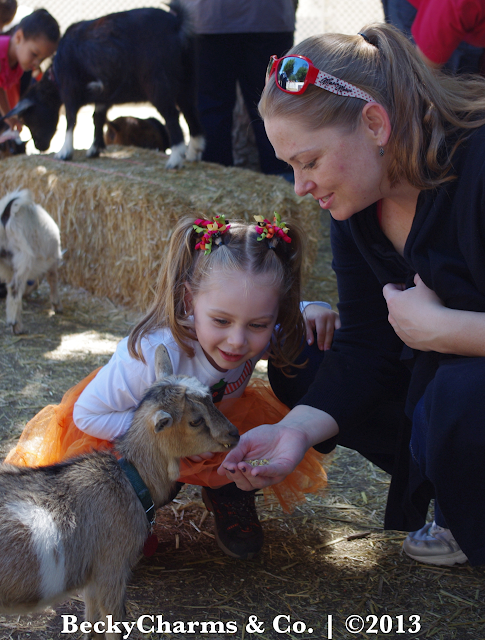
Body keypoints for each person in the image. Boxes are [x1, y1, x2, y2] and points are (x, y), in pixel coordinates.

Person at [218, 25, 485, 568]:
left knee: (459, 397)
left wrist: (444, 332)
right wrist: (292, 433)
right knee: (304, 361)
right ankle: (452, 489)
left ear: (374, 124)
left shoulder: (476, 166)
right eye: (291, 166)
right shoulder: (358, 203)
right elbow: (366, 343)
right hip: (448, 387)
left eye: (309, 162)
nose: (299, 187)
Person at [6, 214, 338, 560]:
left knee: (248, 437)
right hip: (134, 427)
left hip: (213, 419)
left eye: (258, 324)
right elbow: (88, 413)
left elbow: (283, 311)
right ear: (189, 301)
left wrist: (314, 308)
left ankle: (229, 493)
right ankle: (131, 515)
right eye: (221, 321)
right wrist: (171, 441)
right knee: (128, 480)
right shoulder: (148, 355)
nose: (238, 341)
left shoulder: (259, 323)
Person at [184, 0, 296, 176]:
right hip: (269, 15)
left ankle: (216, 177)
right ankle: (284, 177)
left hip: (209, 17)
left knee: (212, 106)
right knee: (274, 102)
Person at [382, 0, 484, 74]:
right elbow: (420, 78)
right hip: (414, 7)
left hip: (464, 19)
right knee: (409, 72)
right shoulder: (458, 6)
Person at [0, 8, 59, 130]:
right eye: (34, 54)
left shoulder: (18, 64)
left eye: (42, 59)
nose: (37, 63)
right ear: (18, 38)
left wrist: (9, 116)